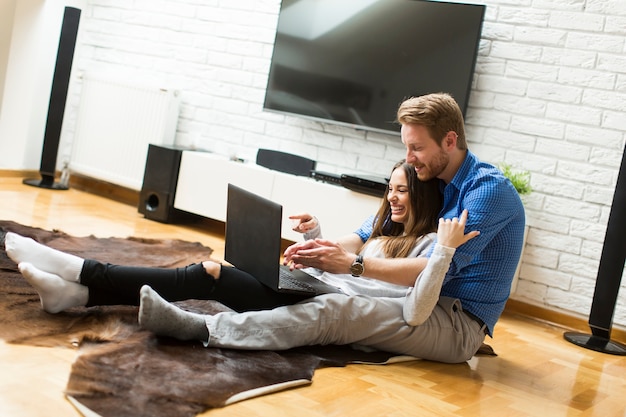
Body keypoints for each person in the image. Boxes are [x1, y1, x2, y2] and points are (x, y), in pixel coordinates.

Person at [5, 160, 442, 314]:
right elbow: (348, 252)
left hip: (327, 303)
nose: (392, 198)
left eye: (401, 191)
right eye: (389, 189)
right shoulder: (384, 227)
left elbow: (411, 293)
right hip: (314, 285)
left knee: (210, 273)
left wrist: (344, 266)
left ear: (423, 195)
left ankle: (78, 269)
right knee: (221, 270)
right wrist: (316, 239)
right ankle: (79, 297)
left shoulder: (427, 244)